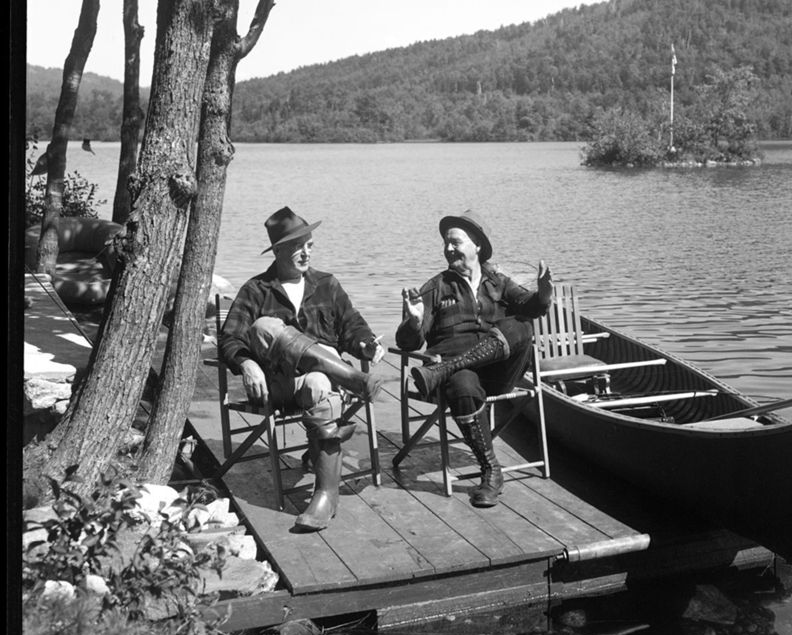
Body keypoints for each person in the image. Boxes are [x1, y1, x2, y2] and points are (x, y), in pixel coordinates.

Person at [219, 207, 385, 532]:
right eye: (298, 246)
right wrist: (247, 362)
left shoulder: (326, 284)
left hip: (318, 387)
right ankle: (350, 378)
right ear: (279, 250)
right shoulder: (256, 290)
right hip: (282, 384)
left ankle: (325, 495)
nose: (306, 252)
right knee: (266, 325)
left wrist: (367, 345)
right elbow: (229, 338)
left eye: (309, 244)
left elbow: (353, 327)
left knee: (320, 382)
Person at [396, 210, 552, 509]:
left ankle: (446, 368)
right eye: (446, 243)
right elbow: (408, 343)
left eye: (455, 241)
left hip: (497, 372)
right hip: (460, 383)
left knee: (521, 324)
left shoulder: (498, 282)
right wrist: (413, 322)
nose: (448, 248)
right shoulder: (435, 287)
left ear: (477, 245)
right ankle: (491, 471)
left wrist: (544, 291)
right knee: (462, 383)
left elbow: (531, 307)